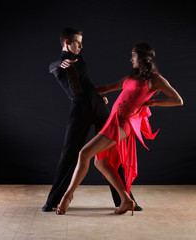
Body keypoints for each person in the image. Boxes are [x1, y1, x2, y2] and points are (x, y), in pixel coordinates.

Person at [56, 42, 184, 215]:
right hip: (113, 122)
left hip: (123, 124)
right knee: (101, 163)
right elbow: (107, 88)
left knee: (84, 154)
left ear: (143, 58)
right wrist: (81, 96)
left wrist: (153, 102)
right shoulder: (131, 77)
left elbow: (178, 100)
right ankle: (126, 200)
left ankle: (67, 197)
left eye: (133, 55)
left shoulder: (155, 79)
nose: (130, 59)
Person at [42, 27, 142, 212]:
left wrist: (96, 95)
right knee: (70, 154)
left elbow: (85, 82)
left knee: (111, 152)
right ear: (66, 42)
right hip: (80, 108)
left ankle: (126, 200)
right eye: (77, 42)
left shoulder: (78, 59)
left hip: (96, 104)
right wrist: (58, 62)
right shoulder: (60, 64)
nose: (81, 45)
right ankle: (53, 201)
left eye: (81, 42)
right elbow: (51, 67)